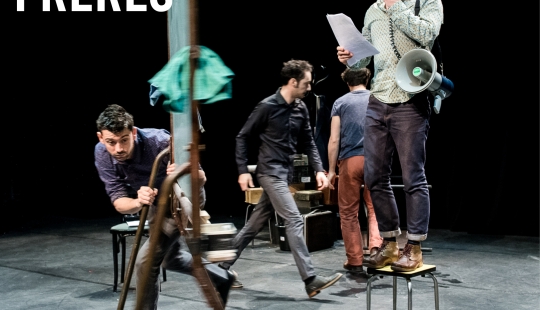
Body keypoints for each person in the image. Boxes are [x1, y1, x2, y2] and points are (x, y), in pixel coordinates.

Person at [336, 0, 444, 272]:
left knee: (413, 178)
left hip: (410, 100)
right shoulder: (373, 10)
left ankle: (415, 247)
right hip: (378, 98)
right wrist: (349, 56)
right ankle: (390, 242)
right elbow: (364, 60)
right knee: (374, 177)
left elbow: (427, 35)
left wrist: (396, 4)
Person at [219, 59, 343, 298]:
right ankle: (310, 279)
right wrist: (243, 170)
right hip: (269, 172)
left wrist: (319, 169)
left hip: (284, 175)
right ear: (293, 82)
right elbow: (242, 137)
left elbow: (308, 141)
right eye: (306, 83)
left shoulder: (300, 108)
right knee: (294, 219)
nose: (310, 87)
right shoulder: (267, 106)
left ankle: (219, 268)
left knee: (252, 226)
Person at [94, 104, 235, 309]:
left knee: (145, 262)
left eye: (124, 140)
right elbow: (119, 201)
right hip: (156, 203)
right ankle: (221, 277)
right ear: (100, 138)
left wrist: (183, 171)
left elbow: (201, 178)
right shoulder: (102, 153)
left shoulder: (159, 142)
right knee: (171, 259)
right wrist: (138, 202)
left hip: (182, 198)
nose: (119, 149)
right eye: (111, 142)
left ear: (133, 133)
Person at [327, 67, 383, 273]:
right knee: (376, 208)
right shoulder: (378, 98)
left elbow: (334, 139)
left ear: (346, 82)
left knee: (349, 212)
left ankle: (355, 260)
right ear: (367, 79)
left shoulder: (340, 103)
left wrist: (331, 170)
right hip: (375, 159)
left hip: (350, 161)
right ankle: (377, 252)